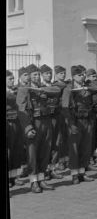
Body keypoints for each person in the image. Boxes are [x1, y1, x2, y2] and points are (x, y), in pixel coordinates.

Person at [16, 64, 63, 193]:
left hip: (46, 121)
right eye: (34, 75)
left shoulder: (43, 88)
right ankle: (33, 182)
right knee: (32, 153)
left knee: (45, 151)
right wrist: (28, 127)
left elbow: (57, 90)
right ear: (30, 76)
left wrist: (42, 90)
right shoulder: (24, 90)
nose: (37, 77)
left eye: (38, 74)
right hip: (33, 123)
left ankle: (41, 179)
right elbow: (21, 110)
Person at [61, 65, 97, 184]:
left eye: (83, 74)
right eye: (79, 75)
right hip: (75, 121)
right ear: (73, 76)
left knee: (86, 147)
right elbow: (65, 108)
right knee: (74, 149)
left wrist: (87, 83)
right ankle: (74, 174)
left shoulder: (87, 87)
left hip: (87, 120)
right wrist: (71, 124)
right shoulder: (68, 89)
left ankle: (82, 172)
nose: (82, 77)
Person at [7, 70, 26, 187]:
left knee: (16, 149)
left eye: (13, 79)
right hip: (7, 123)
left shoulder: (14, 91)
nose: (12, 81)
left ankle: (14, 176)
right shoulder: (10, 92)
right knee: (8, 151)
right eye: (10, 79)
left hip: (16, 123)